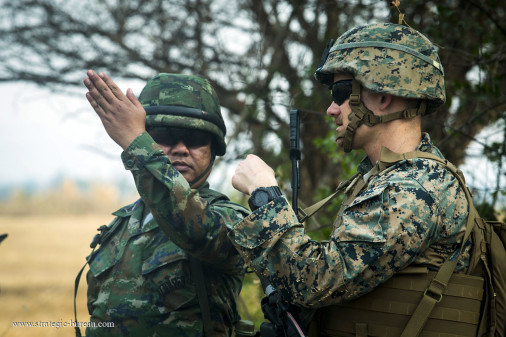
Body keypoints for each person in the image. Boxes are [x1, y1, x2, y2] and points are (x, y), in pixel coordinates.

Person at [229, 23, 476, 335]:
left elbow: (314, 281)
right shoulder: (388, 179)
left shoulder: (415, 189)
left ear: (382, 95)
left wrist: (264, 194)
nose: (331, 109)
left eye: (340, 93)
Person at [82, 70, 250, 336]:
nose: (181, 148)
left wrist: (138, 144)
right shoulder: (121, 224)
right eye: (166, 135)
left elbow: (198, 230)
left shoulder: (229, 217)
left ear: (213, 148)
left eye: (195, 138)